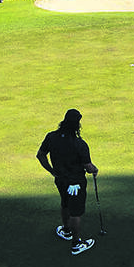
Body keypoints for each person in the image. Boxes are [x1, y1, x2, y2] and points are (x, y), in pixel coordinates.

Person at [36, 108, 98, 256]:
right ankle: (76, 244)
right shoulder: (79, 144)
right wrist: (95, 170)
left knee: (65, 203)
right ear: (77, 125)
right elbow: (88, 167)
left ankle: (66, 230)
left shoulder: (51, 137)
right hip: (75, 183)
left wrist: (52, 171)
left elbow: (41, 155)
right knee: (76, 212)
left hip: (60, 180)